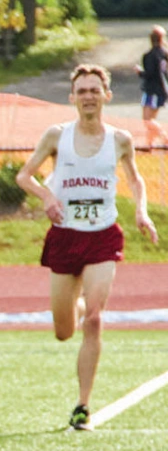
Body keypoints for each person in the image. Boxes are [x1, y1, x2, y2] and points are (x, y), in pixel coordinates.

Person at [16, 64, 158, 431]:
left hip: (103, 236)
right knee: (64, 330)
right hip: (65, 237)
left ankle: (82, 405)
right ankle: (76, 306)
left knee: (95, 319)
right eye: (82, 91)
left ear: (107, 96)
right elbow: (24, 175)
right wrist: (47, 195)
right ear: (72, 98)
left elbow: (135, 179)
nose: (89, 96)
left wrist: (141, 213)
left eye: (95, 90)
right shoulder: (56, 136)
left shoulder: (119, 139)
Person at [135, 25, 168, 147]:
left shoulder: (150, 55)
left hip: (152, 90)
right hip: (163, 89)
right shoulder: (165, 53)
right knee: (151, 119)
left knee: (147, 120)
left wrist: (139, 72)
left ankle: (164, 137)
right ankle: (150, 142)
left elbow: (149, 73)